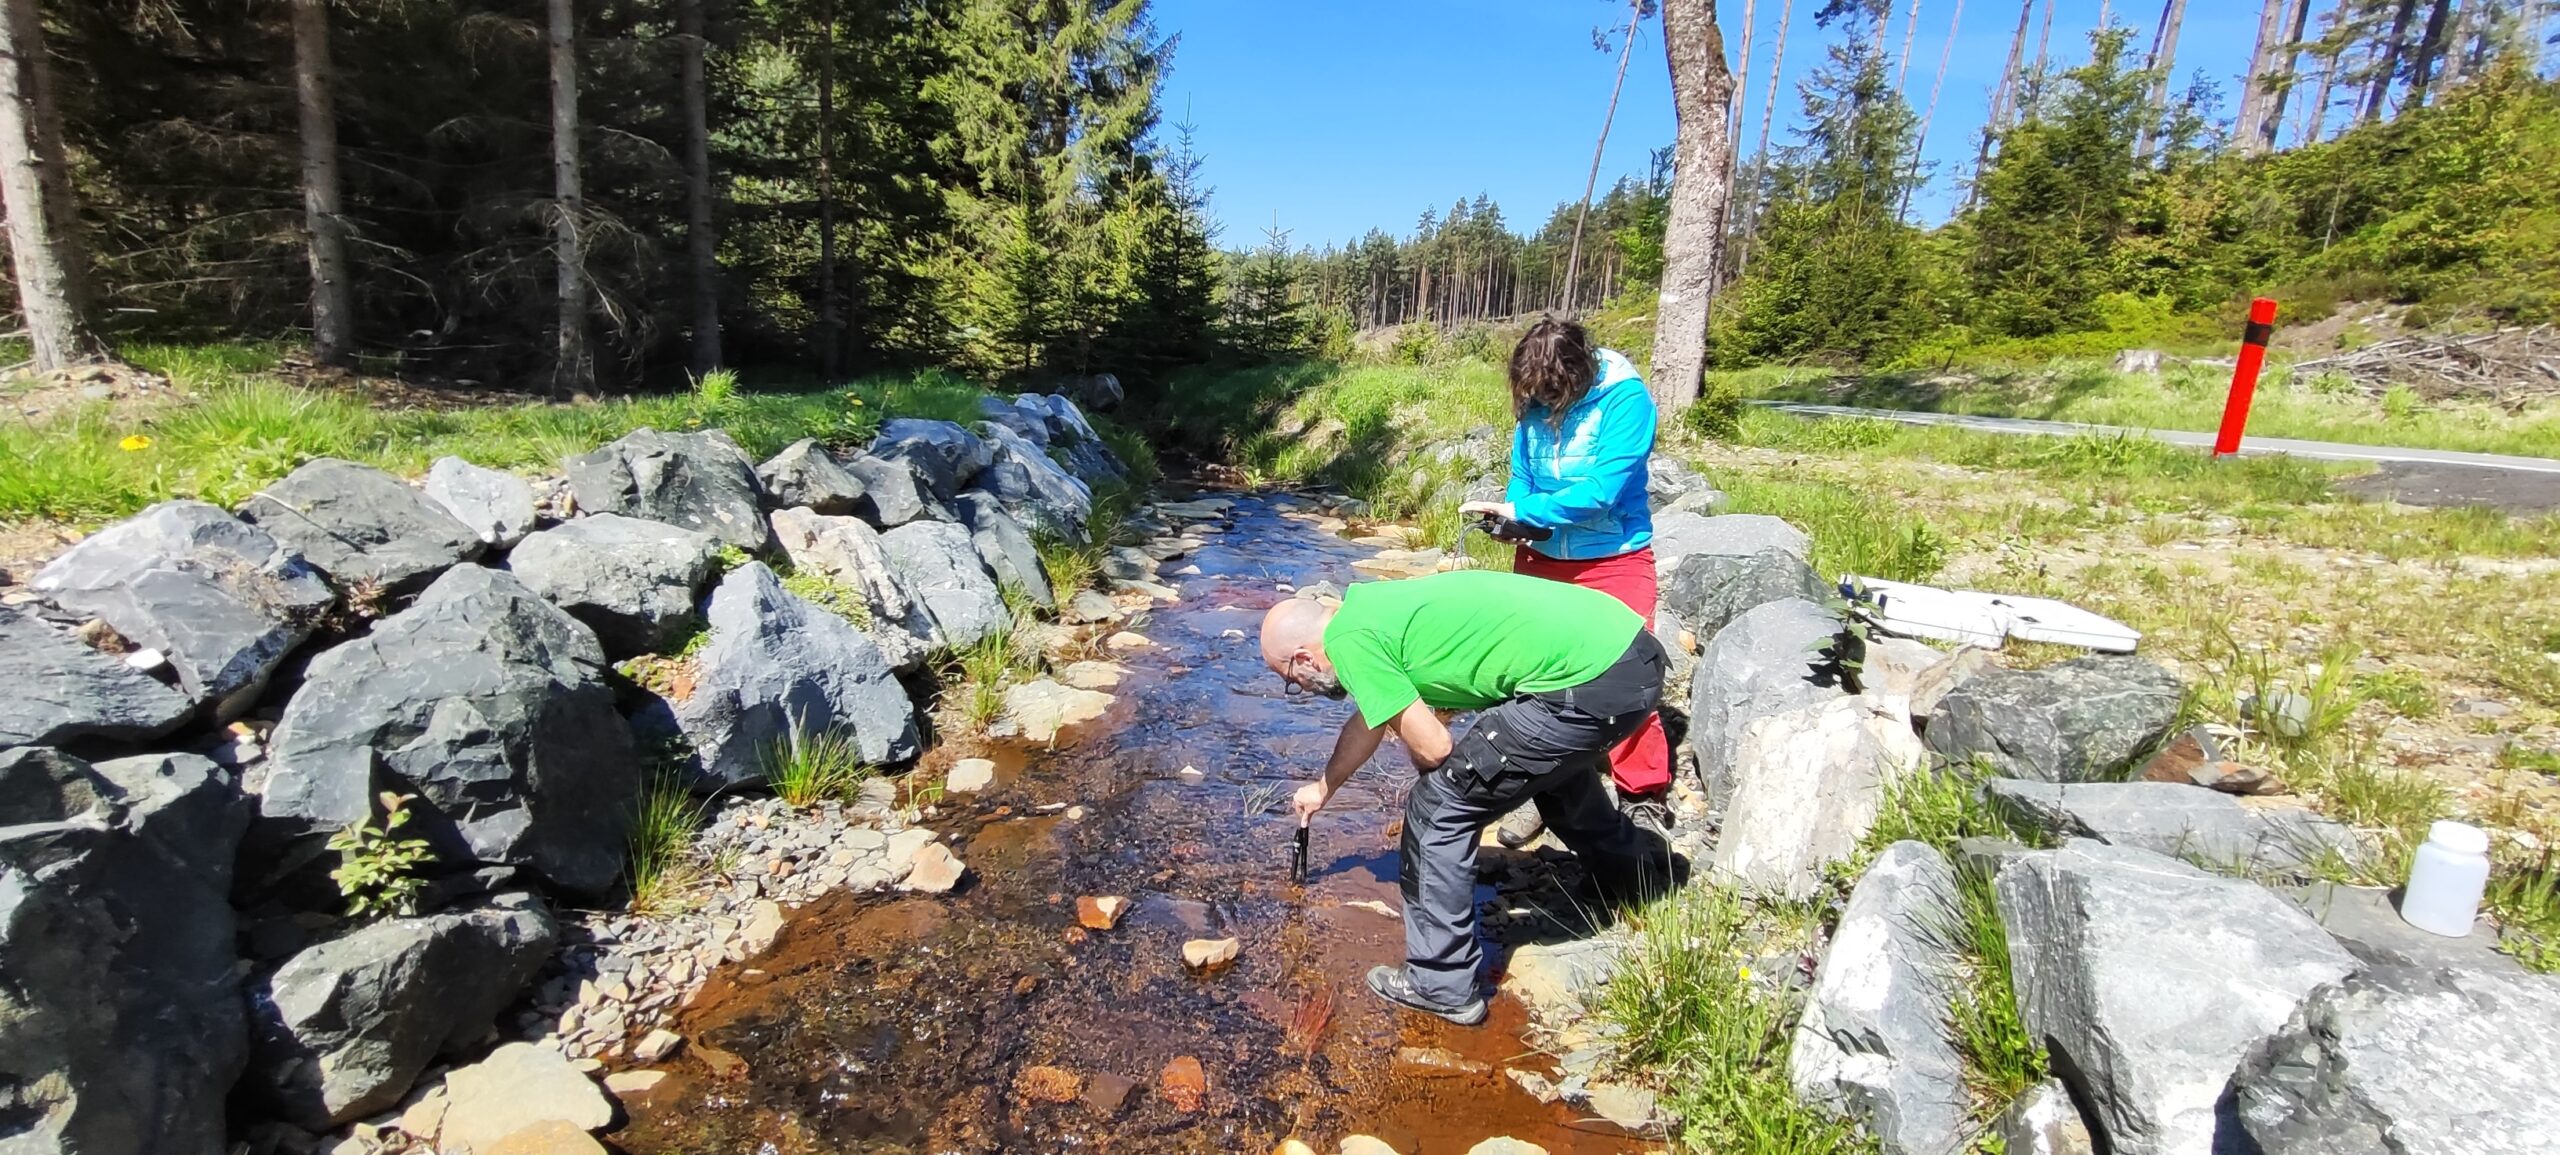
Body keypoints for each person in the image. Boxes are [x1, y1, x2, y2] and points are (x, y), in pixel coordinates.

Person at [1262, 570, 1667, 1025]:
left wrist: (1442, 776)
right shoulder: (1365, 610)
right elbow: (1371, 719)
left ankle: (1440, 984)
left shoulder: (1348, 644)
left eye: (1291, 680)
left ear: (1303, 657)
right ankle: (1632, 880)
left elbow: (1435, 749)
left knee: (1436, 807)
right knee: (1549, 770)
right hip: (1631, 655)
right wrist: (1325, 787)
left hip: (1591, 684)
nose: (1301, 688)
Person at [1459, 317, 1671, 839]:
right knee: (1531, 679)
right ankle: (1546, 786)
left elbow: (1602, 490)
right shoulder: (1533, 400)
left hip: (1612, 555)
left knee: (1627, 678)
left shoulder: (1625, 399)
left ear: (1579, 372)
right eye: (1533, 392)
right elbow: (1522, 476)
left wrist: (1525, 512)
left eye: (1551, 391)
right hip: (1542, 555)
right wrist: (1515, 521)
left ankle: (1643, 794)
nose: (1541, 401)